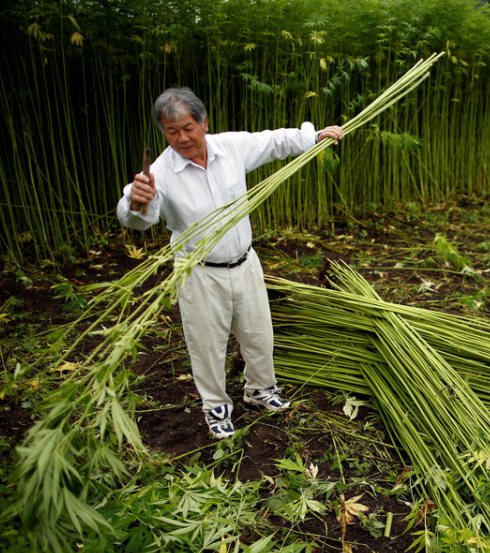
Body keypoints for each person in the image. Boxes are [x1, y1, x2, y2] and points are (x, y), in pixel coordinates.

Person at [117, 87, 343, 439]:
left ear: (204, 122)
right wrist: (134, 201)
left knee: (258, 334)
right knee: (206, 344)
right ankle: (216, 407)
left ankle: (259, 390)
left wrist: (313, 137)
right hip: (200, 273)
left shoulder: (229, 147)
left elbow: (273, 142)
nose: (181, 138)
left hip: (245, 262)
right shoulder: (160, 173)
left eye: (188, 128)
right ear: (163, 132)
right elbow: (140, 218)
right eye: (171, 132)